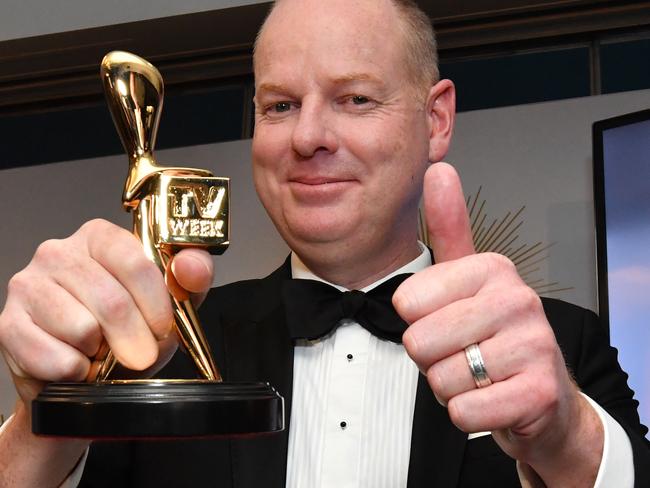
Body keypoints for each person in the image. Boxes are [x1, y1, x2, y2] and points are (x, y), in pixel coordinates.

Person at [0, 0, 648, 486]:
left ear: (436, 119)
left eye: (355, 98)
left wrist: (566, 437)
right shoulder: (154, 354)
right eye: (279, 105)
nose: (307, 136)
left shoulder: (563, 347)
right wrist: (45, 419)